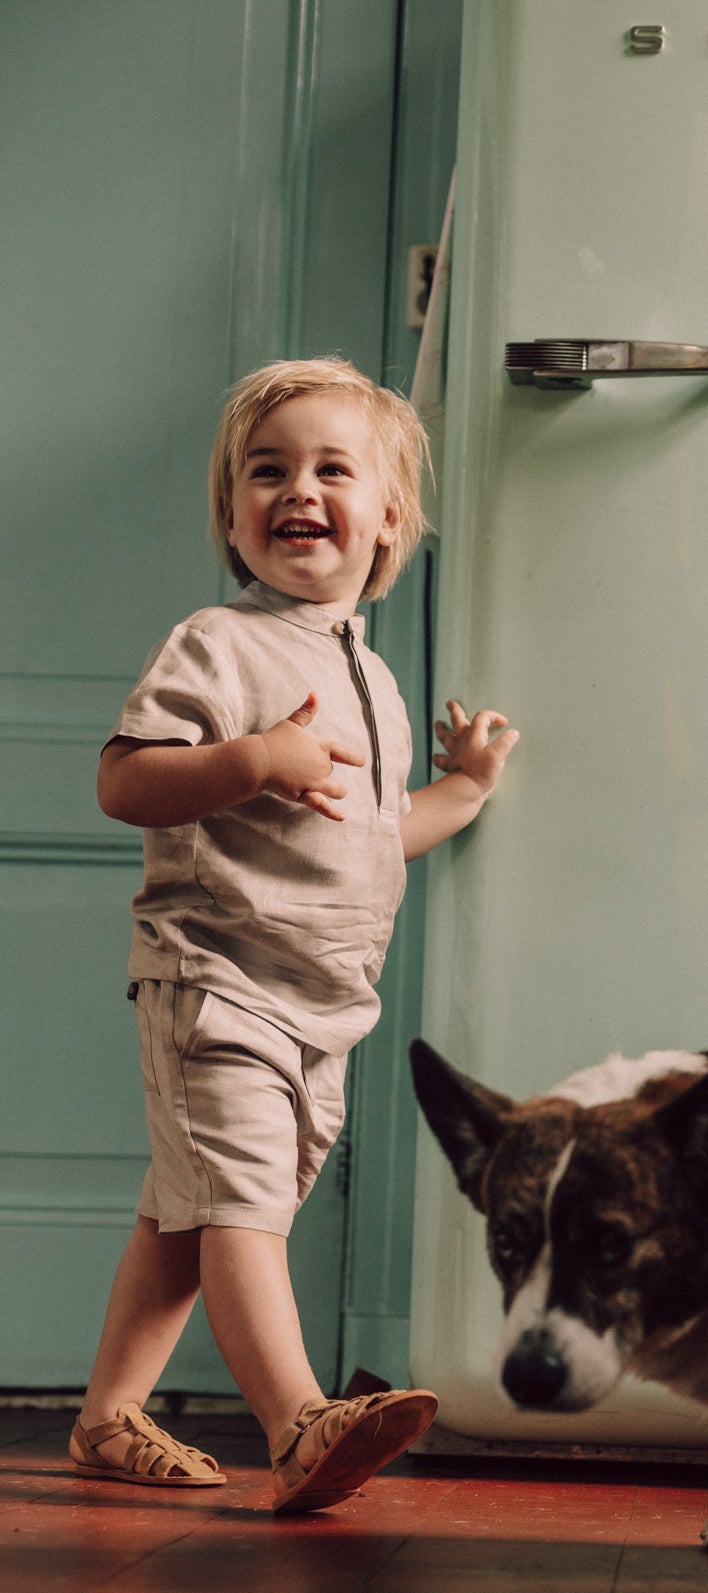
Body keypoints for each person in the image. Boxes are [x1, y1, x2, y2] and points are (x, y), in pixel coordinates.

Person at [70, 356, 518, 1513]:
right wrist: (249, 760)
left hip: (320, 1004)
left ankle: (109, 1418)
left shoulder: (369, 673)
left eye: (331, 470)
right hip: (216, 981)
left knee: (190, 1208)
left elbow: (368, 833)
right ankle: (298, 1420)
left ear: (387, 521)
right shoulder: (220, 641)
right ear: (232, 515)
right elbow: (125, 782)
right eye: (266, 473)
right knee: (240, 1206)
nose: (297, 491)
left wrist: (459, 794)